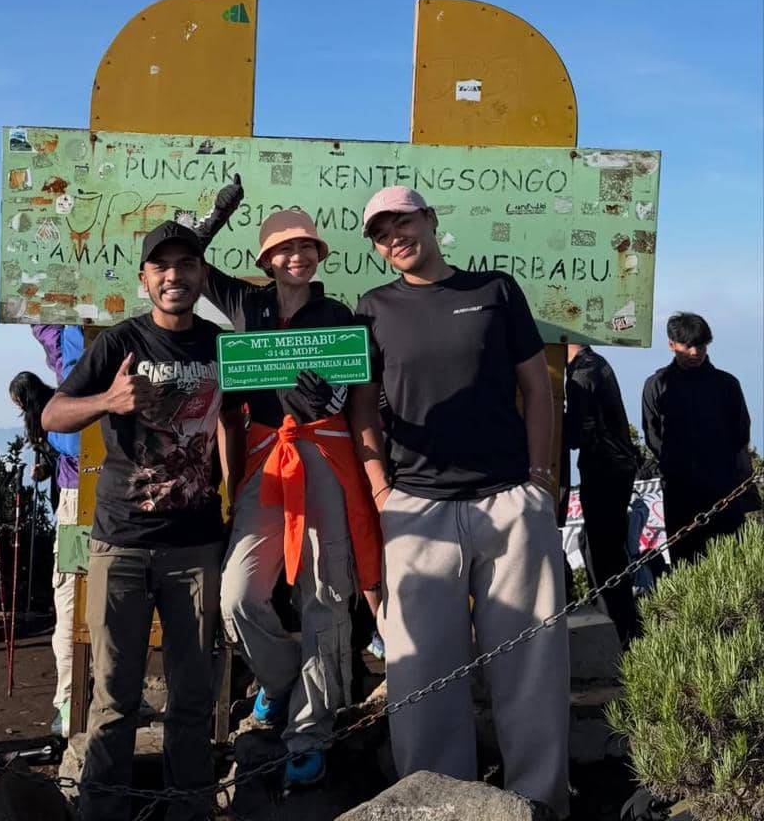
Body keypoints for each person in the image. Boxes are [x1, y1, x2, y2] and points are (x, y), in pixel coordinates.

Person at [346, 186, 570, 820]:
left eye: (402, 221)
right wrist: (381, 490)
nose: (394, 237)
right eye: (380, 232)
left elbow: (537, 387)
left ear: (430, 219)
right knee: (421, 673)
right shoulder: (373, 308)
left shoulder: (495, 290)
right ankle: (433, 805)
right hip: (416, 508)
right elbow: (362, 408)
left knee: (531, 662)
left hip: (509, 499)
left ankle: (540, 802)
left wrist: (540, 480)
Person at [42, 221, 240, 821]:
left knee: (194, 696)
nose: (174, 276)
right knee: (113, 696)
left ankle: (190, 811)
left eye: (187, 264)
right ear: (144, 279)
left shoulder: (221, 345)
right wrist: (109, 400)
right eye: (162, 266)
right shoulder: (119, 343)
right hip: (120, 545)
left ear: (201, 275)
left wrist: (234, 495)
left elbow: (234, 421)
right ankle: (102, 812)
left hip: (196, 546)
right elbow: (53, 414)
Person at [198, 194, 382, 790]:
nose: (296, 256)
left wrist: (330, 398)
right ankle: (279, 682)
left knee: (325, 593)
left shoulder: (339, 315)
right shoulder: (244, 302)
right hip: (264, 459)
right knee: (237, 595)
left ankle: (311, 730)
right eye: (284, 248)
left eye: (305, 246)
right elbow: (188, 259)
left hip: (324, 454)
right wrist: (215, 216)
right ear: (266, 259)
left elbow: (355, 389)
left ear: (318, 254)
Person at [643, 312, 758, 566]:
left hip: (724, 490)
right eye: (688, 346)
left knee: (733, 564)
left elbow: (741, 433)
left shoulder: (727, 385)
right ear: (671, 344)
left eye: (701, 346)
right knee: (686, 564)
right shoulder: (657, 385)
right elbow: (653, 435)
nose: (695, 352)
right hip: (680, 493)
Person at [10, 368, 79, 738]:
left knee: (69, 594)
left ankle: (68, 697)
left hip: (72, 504)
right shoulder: (64, 399)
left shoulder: (55, 411)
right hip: (79, 499)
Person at [565, 345, 639, 646]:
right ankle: (624, 627)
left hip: (604, 470)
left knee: (604, 555)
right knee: (605, 549)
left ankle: (621, 632)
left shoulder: (583, 372)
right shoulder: (595, 363)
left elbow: (573, 435)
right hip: (617, 468)